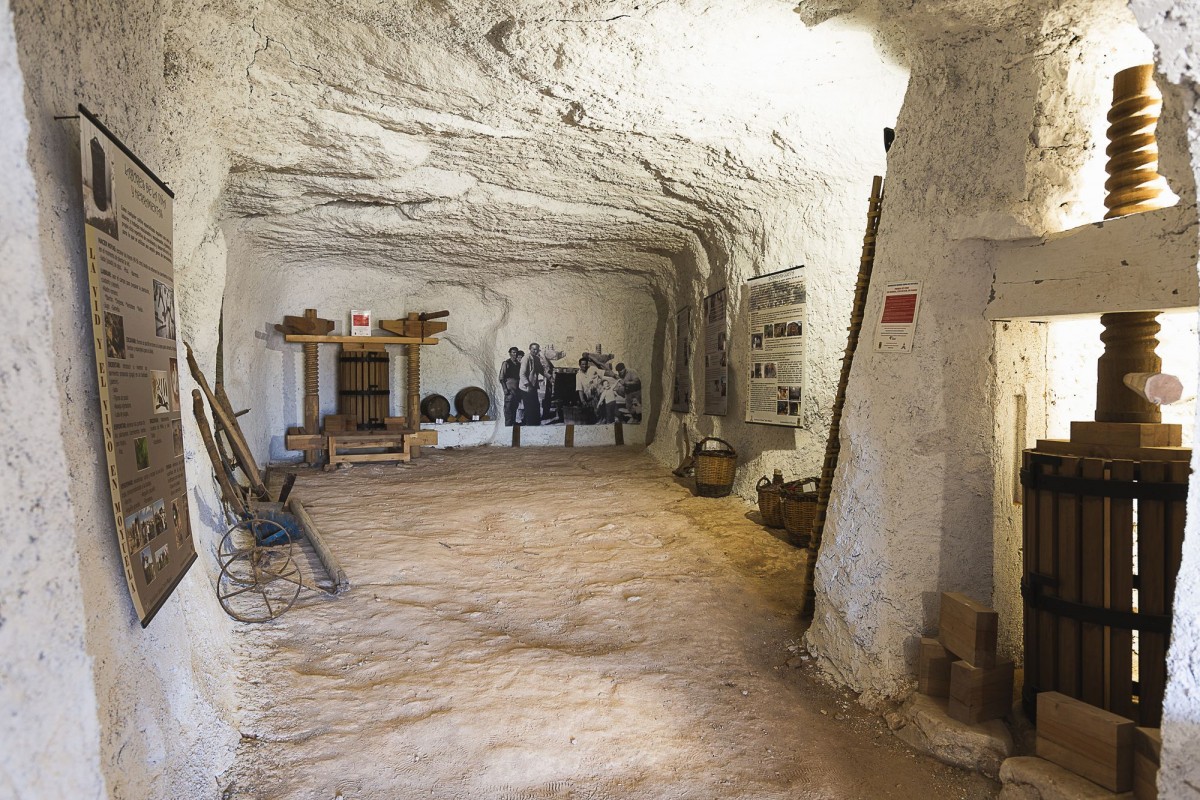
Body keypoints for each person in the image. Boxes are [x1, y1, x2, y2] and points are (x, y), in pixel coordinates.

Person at [519, 343, 552, 426]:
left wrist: (550, 377)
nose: (535, 351)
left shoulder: (537, 359)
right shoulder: (526, 358)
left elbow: (541, 370)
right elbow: (522, 374)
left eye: (537, 349)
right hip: (526, 387)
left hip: (533, 386)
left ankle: (533, 424)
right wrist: (528, 385)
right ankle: (530, 425)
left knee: (535, 406)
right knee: (529, 407)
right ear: (530, 349)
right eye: (533, 349)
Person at [498, 346, 523, 425]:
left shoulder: (519, 364)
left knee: (514, 408)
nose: (515, 354)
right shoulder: (506, 363)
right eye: (513, 352)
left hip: (517, 390)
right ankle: (508, 426)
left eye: (516, 352)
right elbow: (501, 378)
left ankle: (513, 424)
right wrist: (505, 389)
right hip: (509, 390)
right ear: (510, 353)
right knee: (508, 410)